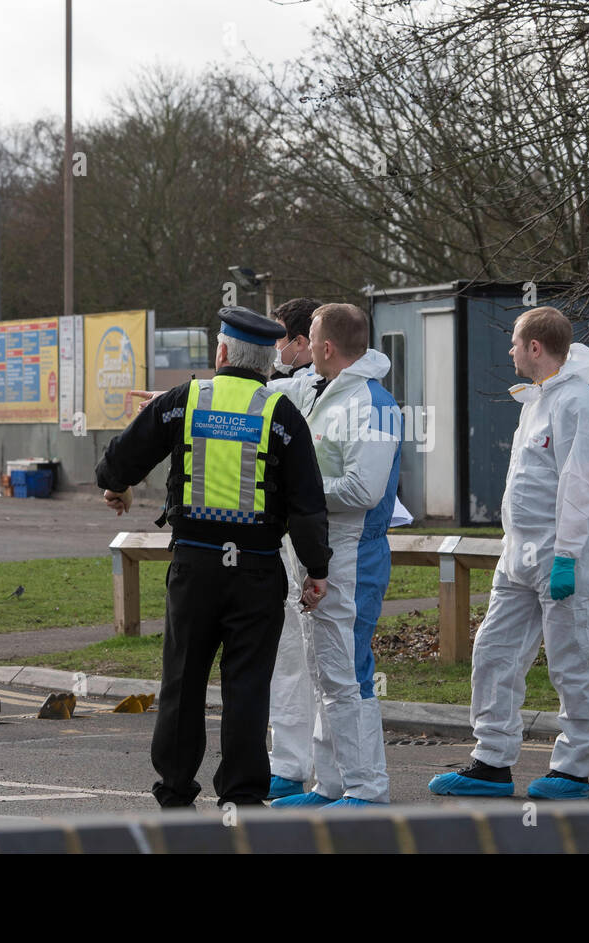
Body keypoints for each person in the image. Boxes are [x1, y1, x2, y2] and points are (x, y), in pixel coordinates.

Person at [95, 306, 331, 808]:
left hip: (194, 568)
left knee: (183, 677)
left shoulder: (185, 401)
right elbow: (307, 504)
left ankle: (176, 789)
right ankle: (243, 795)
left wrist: (117, 487)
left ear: (221, 353)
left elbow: (123, 456)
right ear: (269, 363)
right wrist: (317, 570)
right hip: (256, 570)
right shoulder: (281, 415)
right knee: (247, 683)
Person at [429, 306, 589, 800]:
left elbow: (582, 486)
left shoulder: (581, 407)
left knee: (572, 658)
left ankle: (573, 769)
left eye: (515, 343)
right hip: (520, 553)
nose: (510, 351)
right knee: (494, 652)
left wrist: (567, 556)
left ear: (535, 347)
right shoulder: (536, 403)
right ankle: (491, 761)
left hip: (561, 552)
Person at [270, 302, 401, 808]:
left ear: (324, 348)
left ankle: (367, 790)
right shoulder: (322, 388)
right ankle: (330, 785)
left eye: (308, 341)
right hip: (322, 552)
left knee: (346, 672)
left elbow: (364, 489)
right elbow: (267, 391)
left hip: (353, 554)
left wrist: (296, 490)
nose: (297, 352)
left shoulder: (375, 403)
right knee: (325, 669)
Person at [264, 298, 325, 800]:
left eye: (280, 338)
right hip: (290, 542)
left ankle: (328, 773)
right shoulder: (293, 387)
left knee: (321, 662)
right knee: (288, 657)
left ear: (302, 343)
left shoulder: (315, 389)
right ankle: (288, 764)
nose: (275, 349)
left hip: (320, 544)